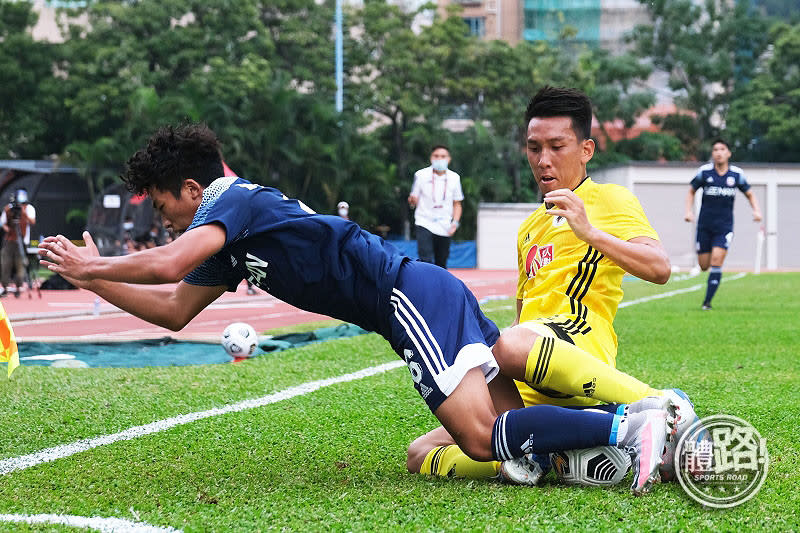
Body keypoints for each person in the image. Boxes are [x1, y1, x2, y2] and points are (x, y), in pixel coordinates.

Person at [40, 123, 674, 496]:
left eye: (162, 205)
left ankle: (626, 427)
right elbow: (177, 308)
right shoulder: (231, 236)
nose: (165, 218)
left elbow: (171, 261)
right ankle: (627, 428)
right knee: (505, 432)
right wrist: (96, 284)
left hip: (407, 299)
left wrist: (91, 265)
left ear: (190, 189)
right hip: (421, 295)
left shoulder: (231, 202)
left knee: (479, 439)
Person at [406, 86, 697, 488]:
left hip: (581, 347)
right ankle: (552, 456)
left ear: (586, 150)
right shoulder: (529, 228)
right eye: (534, 148)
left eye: (557, 146)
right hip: (530, 369)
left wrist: (589, 230)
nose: (543, 160)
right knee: (420, 452)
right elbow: (524, 316)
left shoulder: (609, 199)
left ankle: (664, 407)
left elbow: (659, 268)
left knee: (509, 345)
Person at [684, 139, 762, 310]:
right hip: (704, 226)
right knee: (704, 265)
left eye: (722, 149)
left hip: (724, 227)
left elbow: (750, 194)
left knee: (716, 260)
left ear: (728, 153)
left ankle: (707, 303)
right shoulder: (704, 172)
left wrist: (756, 210)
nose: (718, 152)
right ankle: (707, 295)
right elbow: (691, 191)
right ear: (712, 153)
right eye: (715, 149)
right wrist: (688, 211)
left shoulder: (736, 175)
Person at [408, 145, 463, 268]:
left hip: (444, 224)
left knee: (441, 262)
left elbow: (457, 204)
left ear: (449, 159)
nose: (439, 159)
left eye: (443, 156)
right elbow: (413, 199)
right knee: (425, 259)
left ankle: (440, 286)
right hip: (424, 221)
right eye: (436, 156)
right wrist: (412, 200)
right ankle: (425, 286)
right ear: (431, 158)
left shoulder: (455, 178)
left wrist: (455, 223)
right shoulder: (421, 175)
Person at [0, 189, 36, 297]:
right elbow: (3, 223)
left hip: (22, 241)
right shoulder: (9, 208)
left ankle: (19, 287)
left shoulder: (29, 208)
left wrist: (23, 212)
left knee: (20, 265)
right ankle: (5, 287)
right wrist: (9, 230)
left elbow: (32, 222)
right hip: (10, 240)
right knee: (5, 264)